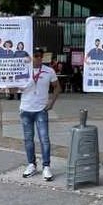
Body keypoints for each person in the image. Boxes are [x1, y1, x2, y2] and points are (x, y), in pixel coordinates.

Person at [19, 48, 61, 181]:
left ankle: (46, 166)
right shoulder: (23, 70)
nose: (37, 58)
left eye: (39, 56)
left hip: (41, 110)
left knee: (44, 139)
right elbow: (15, 88)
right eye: (34, 56)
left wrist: (52, 102)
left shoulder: (49, 71)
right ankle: (31, 164)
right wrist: (8, 85)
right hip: (26, 109)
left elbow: (57, 87)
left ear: (42, 57)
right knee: (28, 139)